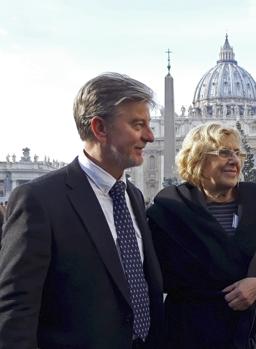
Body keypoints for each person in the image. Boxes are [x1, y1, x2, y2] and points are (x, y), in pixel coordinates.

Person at [0, 73, 164, 349]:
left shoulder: (133, 196)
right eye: (138, 125)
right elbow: (16, 310)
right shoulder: (39, 200)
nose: (149, 136)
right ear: (100, 128)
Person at [146, 123, 256, 348]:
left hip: (253, 332)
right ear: (197, 159)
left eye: (237, 153)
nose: (235, 160)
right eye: (224, 152)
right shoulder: (166, 212)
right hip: (189, 335)